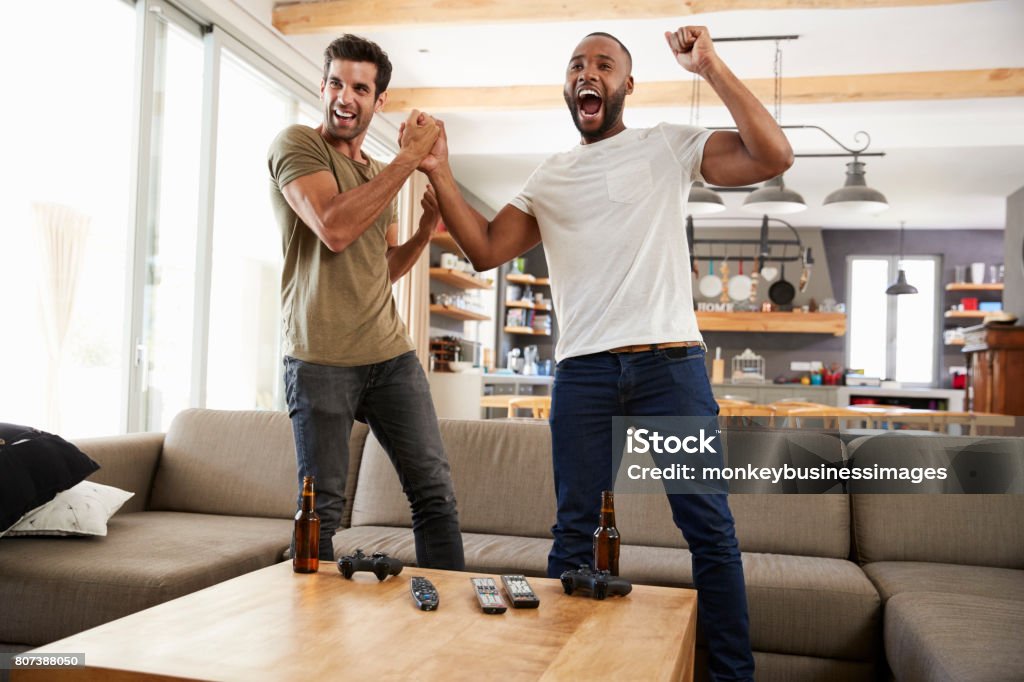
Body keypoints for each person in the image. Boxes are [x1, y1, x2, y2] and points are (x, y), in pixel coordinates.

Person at [414, 27, 792, 680]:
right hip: (584, 374)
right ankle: (573, 666)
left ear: (627, 85)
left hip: (669, 368)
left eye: (604, 64)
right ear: (569, 87)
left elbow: (773, 154)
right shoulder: (550, 175)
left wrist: (711, 66)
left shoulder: (667, 145)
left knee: (708, 529)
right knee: (574, 535)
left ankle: (732, 676)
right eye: (578, 65)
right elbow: (482, 249)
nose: (589, 73)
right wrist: (439, 167)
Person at [268, 34, 464, 570]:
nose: (345, 97)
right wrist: (411, 158)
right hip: (320, 356)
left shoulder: (379, 174)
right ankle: (312, 638)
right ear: (323, 85)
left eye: (360, 87)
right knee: (321, 510)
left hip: (389, 355)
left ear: (379, 102)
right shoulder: (297, 145)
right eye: (336, 82)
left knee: (435, 493)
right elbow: (333, 228)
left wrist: (426, 229)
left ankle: (448, 629)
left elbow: (382, 268)